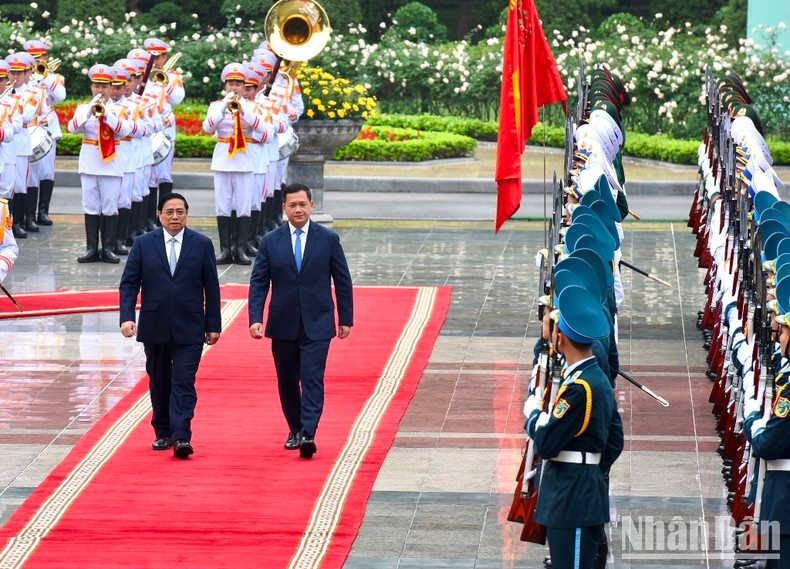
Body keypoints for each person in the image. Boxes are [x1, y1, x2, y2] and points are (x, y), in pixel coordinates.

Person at [248, 183, 354, 459]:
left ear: (311, 206)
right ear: (283, 208)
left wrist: (346, 318)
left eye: (302, 204)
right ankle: (295, 428)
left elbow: (342, 280)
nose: (298, 209)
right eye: (292, 205)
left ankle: (308, 432)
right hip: (282, 322)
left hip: (318, 322)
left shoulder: (328, 239)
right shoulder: (270, 241)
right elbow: (259, 282)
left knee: (312, 377)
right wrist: (255, 317)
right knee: (287, 380)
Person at [524, 286, 623, 569]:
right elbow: (615, 440)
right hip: (581, 488)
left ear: (561, 338)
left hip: (572, 496)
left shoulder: (579, 388)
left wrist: (533, 416)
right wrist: (590, 467)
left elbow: (546, 443)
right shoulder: (595, 378)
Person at [119, 192, 222, 458]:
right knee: (160, 380)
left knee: (184, 381)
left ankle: (182, 436)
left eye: (180, 212)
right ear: (159, 215)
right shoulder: (143, 243)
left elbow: (211, 287)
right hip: (155, 325)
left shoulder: (201, 244)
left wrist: (214, 324)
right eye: (170, 212)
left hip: (190, 326)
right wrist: (127, 317)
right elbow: (130, 282)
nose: (175, 217)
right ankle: (162, 432)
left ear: (187, 214)